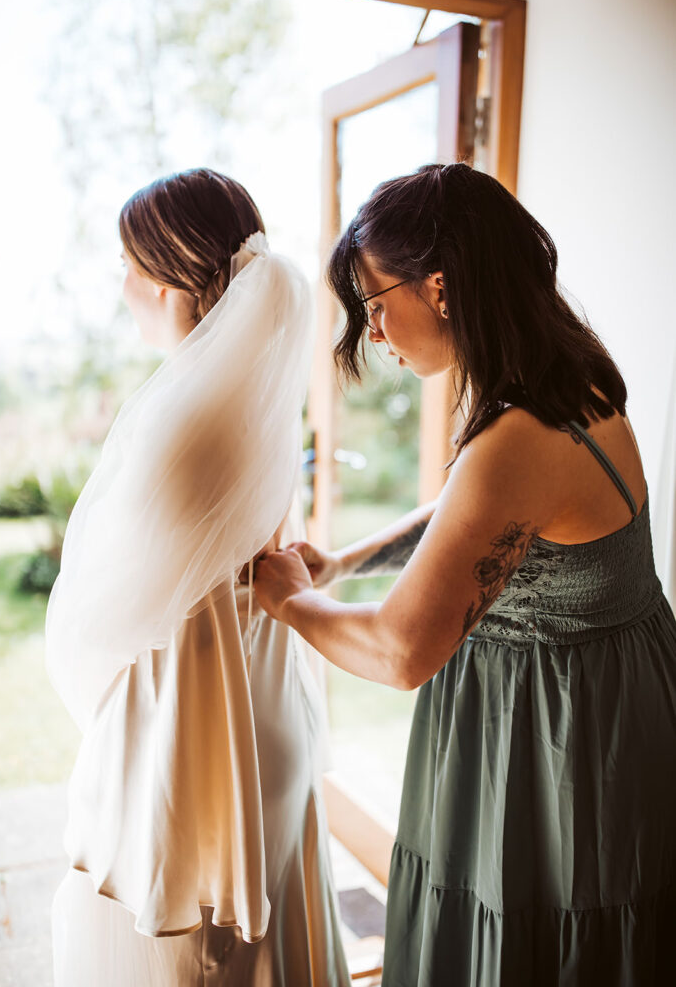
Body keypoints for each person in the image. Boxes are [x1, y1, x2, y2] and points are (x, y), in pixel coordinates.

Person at [253, 162, 676, 985]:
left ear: (439, 286)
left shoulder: (513, 440)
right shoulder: (571, 377)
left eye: (376, 306)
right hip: (618, 695)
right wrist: (345, 560)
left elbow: (401, 651)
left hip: (558, 737)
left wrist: (290, 600)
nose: (373, 333)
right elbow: (475, 516)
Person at [46, 168, 351, 986]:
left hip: (187, 728)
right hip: (264, 706)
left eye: (129, 266)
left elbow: (104, 616)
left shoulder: (178, 420)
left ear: (169, 278)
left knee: (178, 954)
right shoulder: (257, 400)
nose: (123, 288)